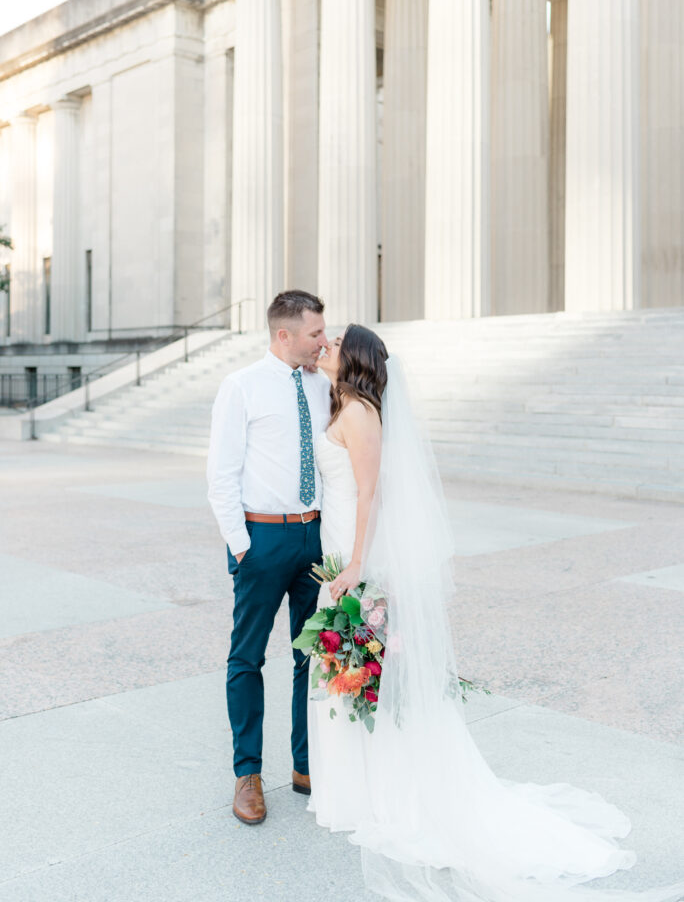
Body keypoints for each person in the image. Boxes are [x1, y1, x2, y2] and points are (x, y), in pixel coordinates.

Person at [309, 323, 684, 902]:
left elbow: (370, 493)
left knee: (363, 675)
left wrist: (356, 564)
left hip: (356, 559)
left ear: (353, 359)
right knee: (351, 676)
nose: (325, 345)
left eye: (333, 343)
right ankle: (358, 789)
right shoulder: (344, 402)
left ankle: (379, 793)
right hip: (338, 551)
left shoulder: (359, 413)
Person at [207, 289, 330, 825]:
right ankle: (248, 773)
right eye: (314, 334)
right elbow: (221, 474)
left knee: (313, 655)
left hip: (315, 539)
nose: (322, 341)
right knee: (247, 658)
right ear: (284, 334)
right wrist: (241, 546)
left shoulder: (324, 385)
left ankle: (306, 764)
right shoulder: (241, 387)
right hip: (263, 539)